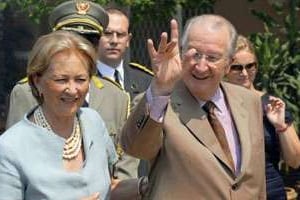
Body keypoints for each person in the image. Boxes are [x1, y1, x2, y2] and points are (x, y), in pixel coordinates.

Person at [121, 15, 266, 199]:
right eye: (195, 54)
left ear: (228, 64)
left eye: (212, 57)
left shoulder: (249, 101)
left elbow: (256, 181)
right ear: (181, 53)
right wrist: (160, 89)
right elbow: (136, 149)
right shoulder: (161, 103)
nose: (201, 66)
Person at [5, 0, 131, 180]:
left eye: (90, 41)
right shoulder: (25, 92)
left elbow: (125, 169)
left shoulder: (116, 97)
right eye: (71, 39)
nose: (80, 49)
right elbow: (13, 167)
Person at [0, 30, 117, 200]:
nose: (72, 89)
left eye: (81, 79)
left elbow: (107, 188)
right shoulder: (9, 147)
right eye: (61, 80)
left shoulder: (93, 121)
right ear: (36, 81)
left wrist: (144, 185)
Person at [226, 35, 300, 200]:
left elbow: (295, 161)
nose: (244, 73)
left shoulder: (271, 105)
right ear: (225, 69)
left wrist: (281, 126)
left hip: (270, 192)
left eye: (250, 66)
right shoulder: (216, 105)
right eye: (236, 67)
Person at [97, 7, 153, 100]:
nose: (114, 41)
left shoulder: (145, 81)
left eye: (120, 35)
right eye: (107, 33)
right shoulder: (84, 79)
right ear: (96, 37)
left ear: (128, 40)